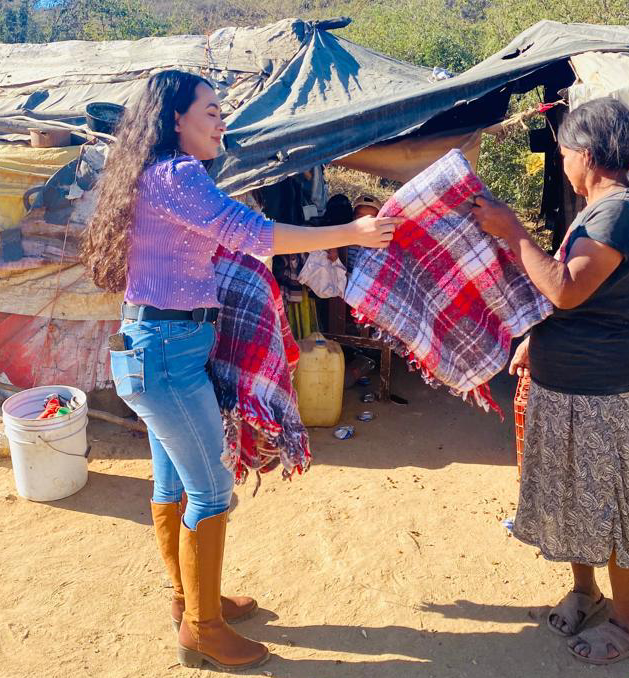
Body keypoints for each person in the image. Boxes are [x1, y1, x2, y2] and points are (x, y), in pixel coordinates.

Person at [81, 69, 402, 673]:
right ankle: (202, 628)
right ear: (175, 120)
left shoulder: (153, 176)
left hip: (156, 347)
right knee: (211, 489)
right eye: (211, 111)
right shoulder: (176, 174)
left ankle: (189, 599)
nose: (221, 121)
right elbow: (252, 235)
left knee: (175, 486)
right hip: (169, 354)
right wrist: (350, 231)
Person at [472, 97, 629, 666]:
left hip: (601, 391)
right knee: (573, 503)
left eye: (563, 154)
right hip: (570, 384)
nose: (563, 164)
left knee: (611, 508)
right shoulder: (600, 209)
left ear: (586, 153)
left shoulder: (620, 210)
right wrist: (538, 338)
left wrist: (512, 230)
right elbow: (581, 300)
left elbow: (566, 288)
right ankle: (587, 592)